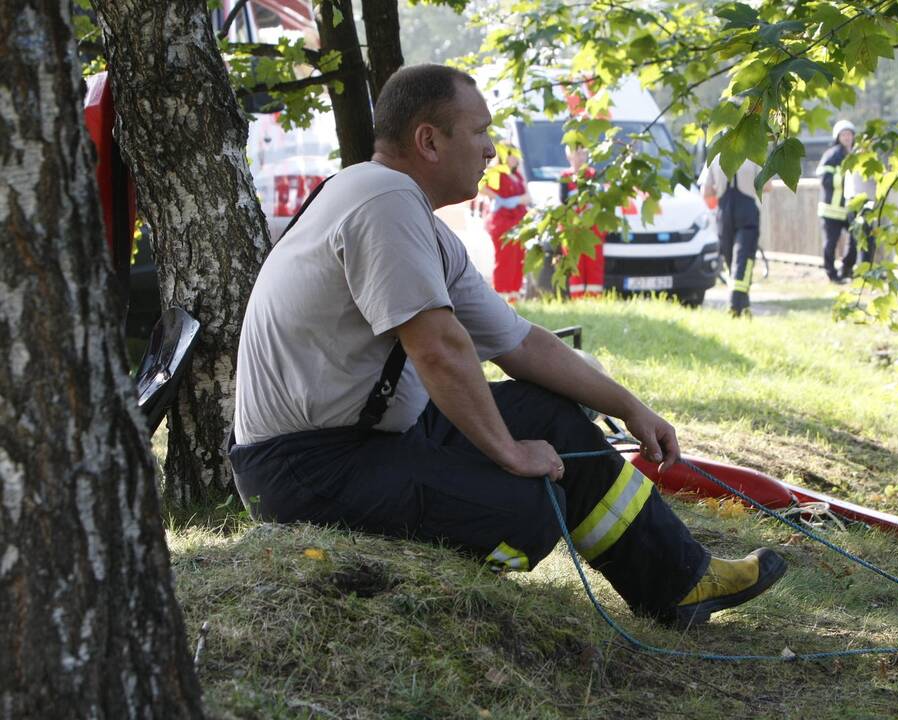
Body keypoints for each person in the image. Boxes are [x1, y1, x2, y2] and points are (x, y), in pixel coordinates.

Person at [228, 63, 786, 629]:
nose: (492, 150)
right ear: (428, 141)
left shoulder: (408, 214)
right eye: (479, 132)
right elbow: (440, 348)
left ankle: (681, 584)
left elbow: (519, 343)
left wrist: (631, 409)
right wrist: (509, 452)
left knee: (553, 419)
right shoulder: (384, 200)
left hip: (367, 444)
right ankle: (433, 596)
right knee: (528, 511)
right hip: (305, 472)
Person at [698, 157, 771, 316]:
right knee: (744, 258)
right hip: (747, 211)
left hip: (724, 213)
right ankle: (736, 304)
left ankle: (741, 305)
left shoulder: (715, 156)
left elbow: (706, 192)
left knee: (731, 260)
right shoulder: (754, 155)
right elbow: (766, 186)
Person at [478, 144, 530, 302]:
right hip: (503, 223)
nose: (515, 158)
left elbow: (527, 196)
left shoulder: (518, 176)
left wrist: (515, 200)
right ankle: (501, 296)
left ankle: (514, 296)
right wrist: (499, 199)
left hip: (519, 223)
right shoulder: (497, 173)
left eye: (516, 154)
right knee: (505, 259)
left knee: (518, 260)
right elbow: (481, 187)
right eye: (511, 154)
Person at [560, 145, 606, 298]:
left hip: (593, 227)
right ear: (569, 156)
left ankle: (594, 299)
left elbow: (601, 200)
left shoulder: (594, 175)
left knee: (594, 263)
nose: (580, 158)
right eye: (576, 154)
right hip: (572, 228)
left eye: (583, 154)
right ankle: (577, 298)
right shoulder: (565, 177)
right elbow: (563, 201)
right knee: (576, 264)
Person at [816, 119, 857, 282]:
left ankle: (847, 268)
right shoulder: (831, 155)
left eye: (849, 134)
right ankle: (832, 274)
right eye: (844, 134)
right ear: (837, 137)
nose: (847, 137)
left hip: (850, 208)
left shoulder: (856, 154)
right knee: (830, 244)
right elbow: (825, 178)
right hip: (831, 209)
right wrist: (847, 179)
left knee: (856, 240)